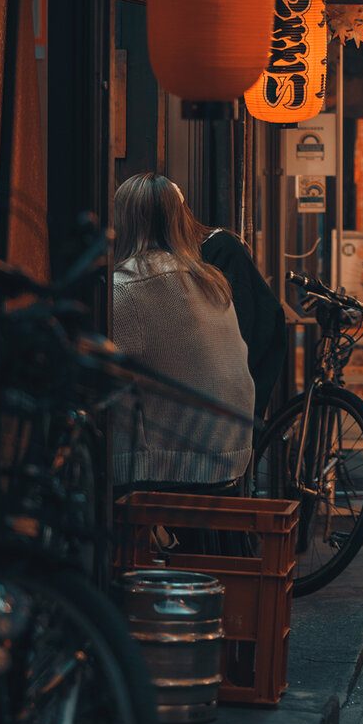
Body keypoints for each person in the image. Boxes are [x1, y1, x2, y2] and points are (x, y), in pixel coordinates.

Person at [111, 173, 256, 493]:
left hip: (168, 465)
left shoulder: (125, 288)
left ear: (122, 221)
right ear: (182, 220)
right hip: (232, 454)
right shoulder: (212, 281)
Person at [201, 222, 288, 417]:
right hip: (239, 365)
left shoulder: (219, 248)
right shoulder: (221, 246)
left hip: (236, 366)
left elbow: (244, 319)